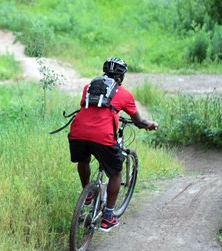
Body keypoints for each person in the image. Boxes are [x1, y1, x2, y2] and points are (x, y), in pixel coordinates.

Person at [68, 57, 158, 232]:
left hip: (77, 131)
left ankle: (88, 193)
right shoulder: (124, 94)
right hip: (102, 136)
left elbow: (91, 109)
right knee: (116, 173)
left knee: (84, 160)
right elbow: (139, 122)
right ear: (121, 76)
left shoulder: (88, 87)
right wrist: (150, 125)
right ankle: (108, 217)